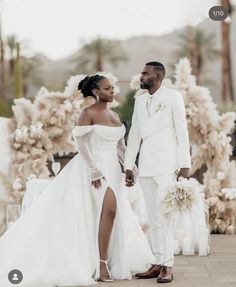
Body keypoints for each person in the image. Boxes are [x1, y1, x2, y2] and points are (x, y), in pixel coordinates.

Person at [0, 74, 155, 287]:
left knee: (108, 214)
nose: (112, 91)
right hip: (92, 169)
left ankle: (106, 259)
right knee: (108, 210)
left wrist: (130, 168)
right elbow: (80, 143)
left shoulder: (114, 114)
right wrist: (93, 169)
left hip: (112, 169)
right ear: (95, 92)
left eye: (112, 88)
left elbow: (121, 146)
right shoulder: (87, 113)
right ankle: (101, 264)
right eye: (107, 88)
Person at [124, 62, 191, 283]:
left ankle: (168, 266)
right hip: (145, 167)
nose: (140, 76)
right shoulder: (140, 100)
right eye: (141, 73)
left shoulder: (173, 97)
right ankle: (157, 261)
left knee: (165, 216)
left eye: (145, 73)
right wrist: (128, 165)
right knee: (152, 216)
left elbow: (182, 131)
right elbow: (134, 134)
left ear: (158, 77)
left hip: (166, 165)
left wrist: (184, 164)